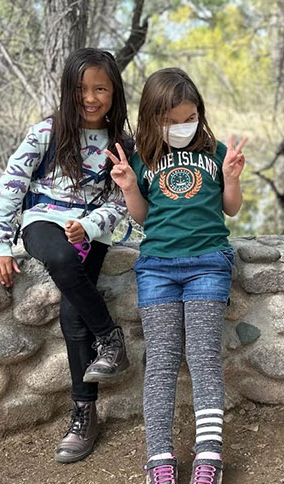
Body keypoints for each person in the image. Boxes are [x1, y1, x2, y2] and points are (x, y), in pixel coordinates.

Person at [0, 48, 132, 463]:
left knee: (72, 313)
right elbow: (10, 185)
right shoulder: (46, 133)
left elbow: (122, 201)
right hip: (43, 221)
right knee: (63, 260)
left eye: (100, 88)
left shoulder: (122, 141)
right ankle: (110, 337)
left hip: (91, 229)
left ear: (114, 91)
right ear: (68, 91)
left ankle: (84, 413)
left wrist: (91, 225)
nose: (91, 97)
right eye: (82, 89)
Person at [107, 67, 246, 484]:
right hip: (157, 269)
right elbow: (144, 217)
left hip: (208, 263)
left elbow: (231, 208)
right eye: (172, 121)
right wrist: (130, 186)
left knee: (203, 359)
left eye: (190, 118)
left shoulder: (215, 152)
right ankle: (159, 459)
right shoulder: (143, 158)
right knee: (162, 363)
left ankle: (209, 457)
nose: (182, 127)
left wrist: (233, 179)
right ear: (152, 118)